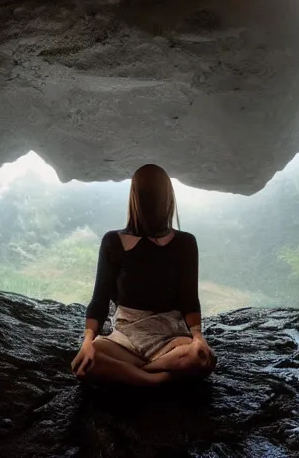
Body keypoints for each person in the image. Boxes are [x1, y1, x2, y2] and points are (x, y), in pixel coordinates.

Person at [71, 164, 216, 386]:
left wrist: (198, 338)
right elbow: (99, 300)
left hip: (169, 338)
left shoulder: (186, 243)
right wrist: (88, 342)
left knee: (202, 358)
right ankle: (156, 380)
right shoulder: (113, 241)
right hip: (123, 340)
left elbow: (189, 300)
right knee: (85, 361)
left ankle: (140, 375)